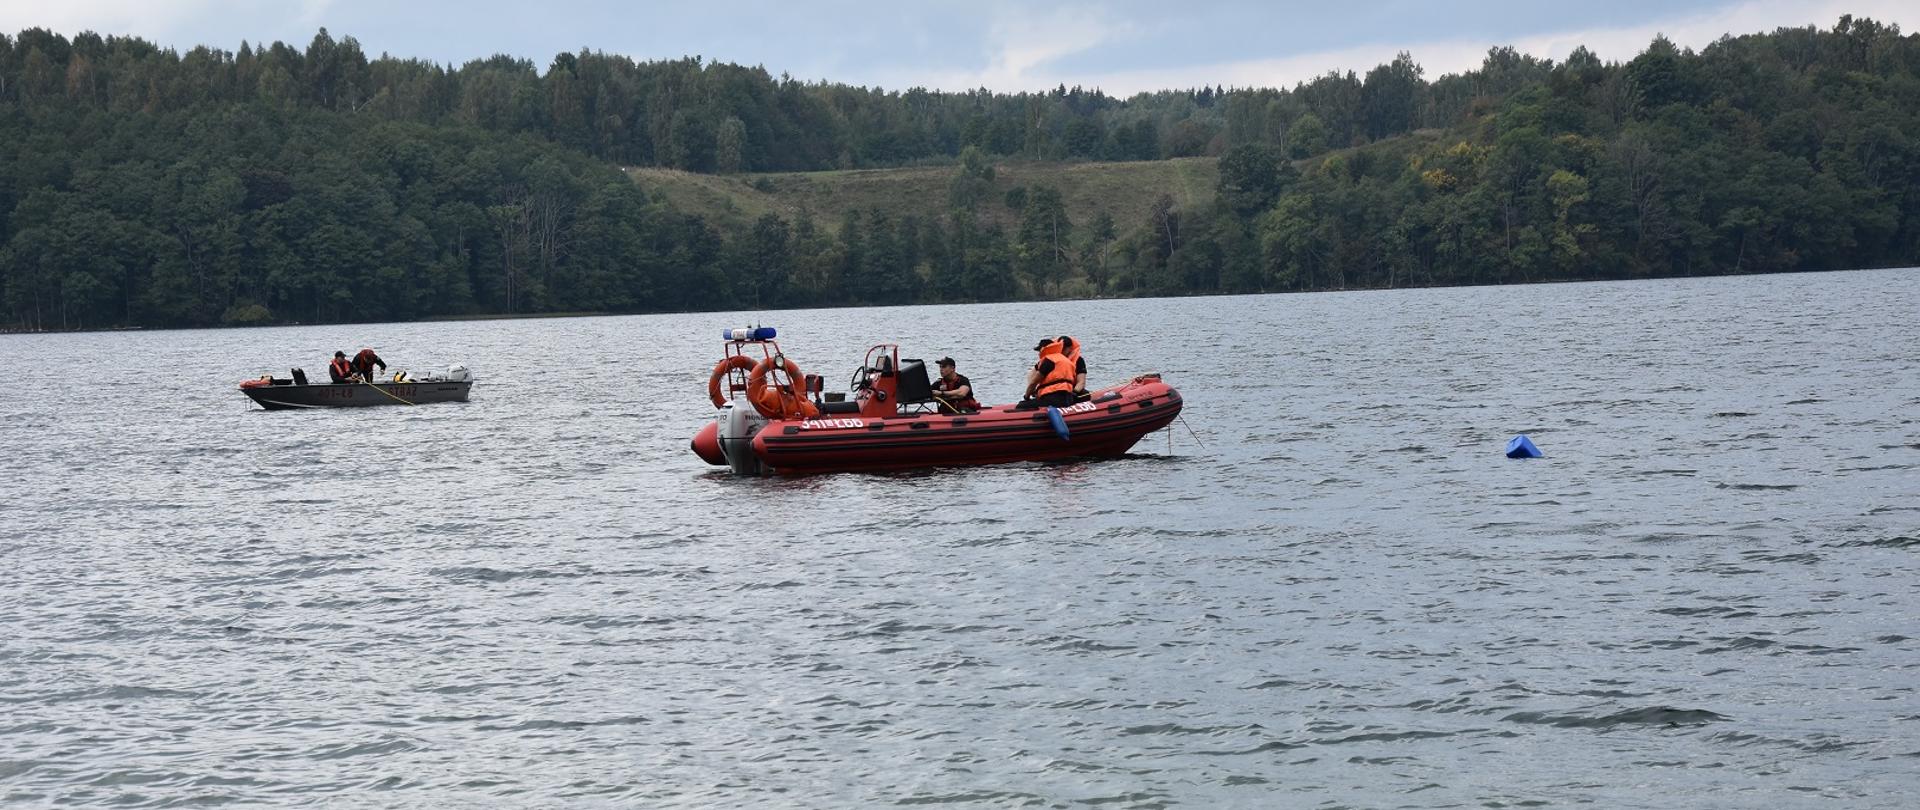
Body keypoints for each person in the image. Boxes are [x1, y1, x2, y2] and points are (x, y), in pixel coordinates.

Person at [1018, 338, 1079, 410]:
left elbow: (1033, 382)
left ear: (1043, 349)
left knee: (1020, 406)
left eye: (1039, 350)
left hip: (1052, 399)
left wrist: (1027, 396)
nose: (1038, 353)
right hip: (1068, 398)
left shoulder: (1049, 361)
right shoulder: (1067, 361)